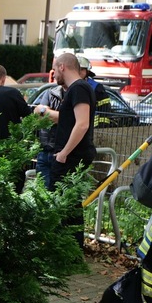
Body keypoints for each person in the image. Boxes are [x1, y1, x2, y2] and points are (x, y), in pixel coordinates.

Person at [46, 52, 96, 248]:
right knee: (69, 202)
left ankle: (68, 249)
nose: (53, 74)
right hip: (71, 154)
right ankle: (69, 250)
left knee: (64, 202)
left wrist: (64, 153)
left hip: (70, 156)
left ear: (62, 67)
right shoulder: (78, 89)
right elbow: (72, 120)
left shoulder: (79, 88)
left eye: (55, 68)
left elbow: (82, 124)